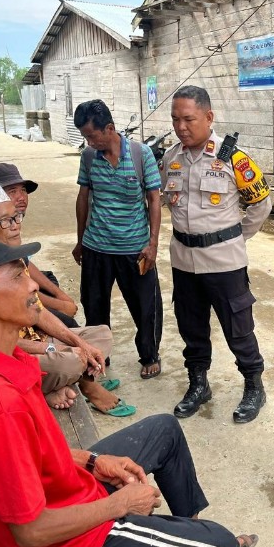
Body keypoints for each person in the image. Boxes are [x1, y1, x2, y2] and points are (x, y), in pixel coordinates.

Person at [0, 232, 259, 547]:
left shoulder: (4, 357)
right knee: (220, 544)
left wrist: (93, 461)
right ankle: (197, 542)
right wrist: (119, 505)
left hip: (69, 493)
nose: (33, 283)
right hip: (67, 543)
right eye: (17, 276)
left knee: (164, 430)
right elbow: (30, 531)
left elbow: (35, 455)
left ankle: (183, 534)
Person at [0, 183, 131, 415]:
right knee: (69, 362)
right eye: (5, 221)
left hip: (37, 340)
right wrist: (51, 348)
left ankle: (63, 384)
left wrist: (77, 343)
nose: (16, 226)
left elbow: (38, 310)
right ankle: (82, 385)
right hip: (10, 356)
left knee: (100, 336)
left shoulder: (10, 255)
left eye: (16, 217)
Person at [161, 85, 272, 424]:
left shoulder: (234, 159)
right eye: (176, 119)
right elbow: (168, 202)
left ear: (209, 117)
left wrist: (232, 240)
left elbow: (260, 205)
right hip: (183, 261)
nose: (181, 127)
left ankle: (254, 385)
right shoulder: (171, 158)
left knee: (238, 328)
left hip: (224, 263)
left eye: (189, 119)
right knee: (191, 328)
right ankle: (199, 384)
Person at [73, 99, 164, 380]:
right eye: (84, 137)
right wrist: (80, 240)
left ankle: (149, 355)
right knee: (94, 306)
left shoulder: (141, 154)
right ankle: (100, 355)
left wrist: (152, 244)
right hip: (96, 247)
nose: (88, 142)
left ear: (109, 128)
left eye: (91, 135)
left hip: (134, 249)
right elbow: (83, 197)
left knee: (146, 307)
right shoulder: (89, 158)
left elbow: (154, 200)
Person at [0, 162, 79, 328]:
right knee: (67, 322)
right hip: (9, 306)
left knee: (49, 281)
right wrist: (60, 305)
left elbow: (23, 261)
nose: (21, 197)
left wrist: (61, 296)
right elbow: (15, 286)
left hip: (19, 289)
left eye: (23, 190)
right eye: (12, 191)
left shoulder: (9, 218)